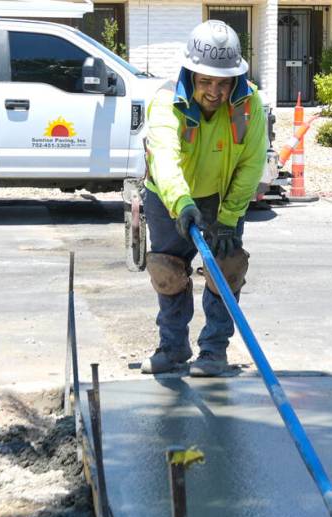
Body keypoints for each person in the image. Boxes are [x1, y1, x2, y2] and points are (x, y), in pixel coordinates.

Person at [140, 20, 267, 377]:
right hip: (169, 199)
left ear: (234, 80)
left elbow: (252, 162)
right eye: (206, 81)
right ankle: (172, 348)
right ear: (191, 73)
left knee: (225, 271)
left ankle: (213, 351)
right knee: (168, 271)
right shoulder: (167, 103)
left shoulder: (248, 104)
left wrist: (228, 219)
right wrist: (182, 203)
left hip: (221, 197)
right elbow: (164, 157)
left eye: (223, 82)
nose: (214, 91)